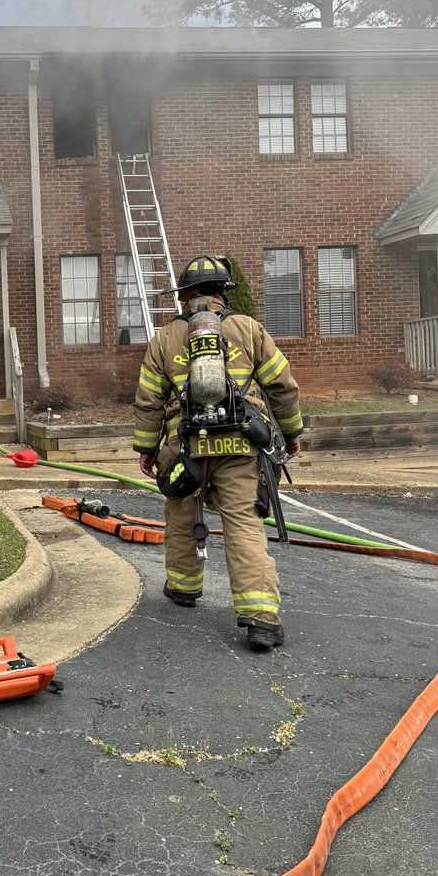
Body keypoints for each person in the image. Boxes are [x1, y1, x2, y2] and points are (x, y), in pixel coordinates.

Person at [133, 255, 303, 651]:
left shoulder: (164, 339)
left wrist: (146, 448)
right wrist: (291, 433)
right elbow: (282, 386)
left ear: (185, 296)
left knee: (180, 512)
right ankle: (260, 618)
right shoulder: (248, 328)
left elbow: (147, 400)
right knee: (243, 522)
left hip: (184, 446)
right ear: (222, 292)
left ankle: (184, 587)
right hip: (242, 444)